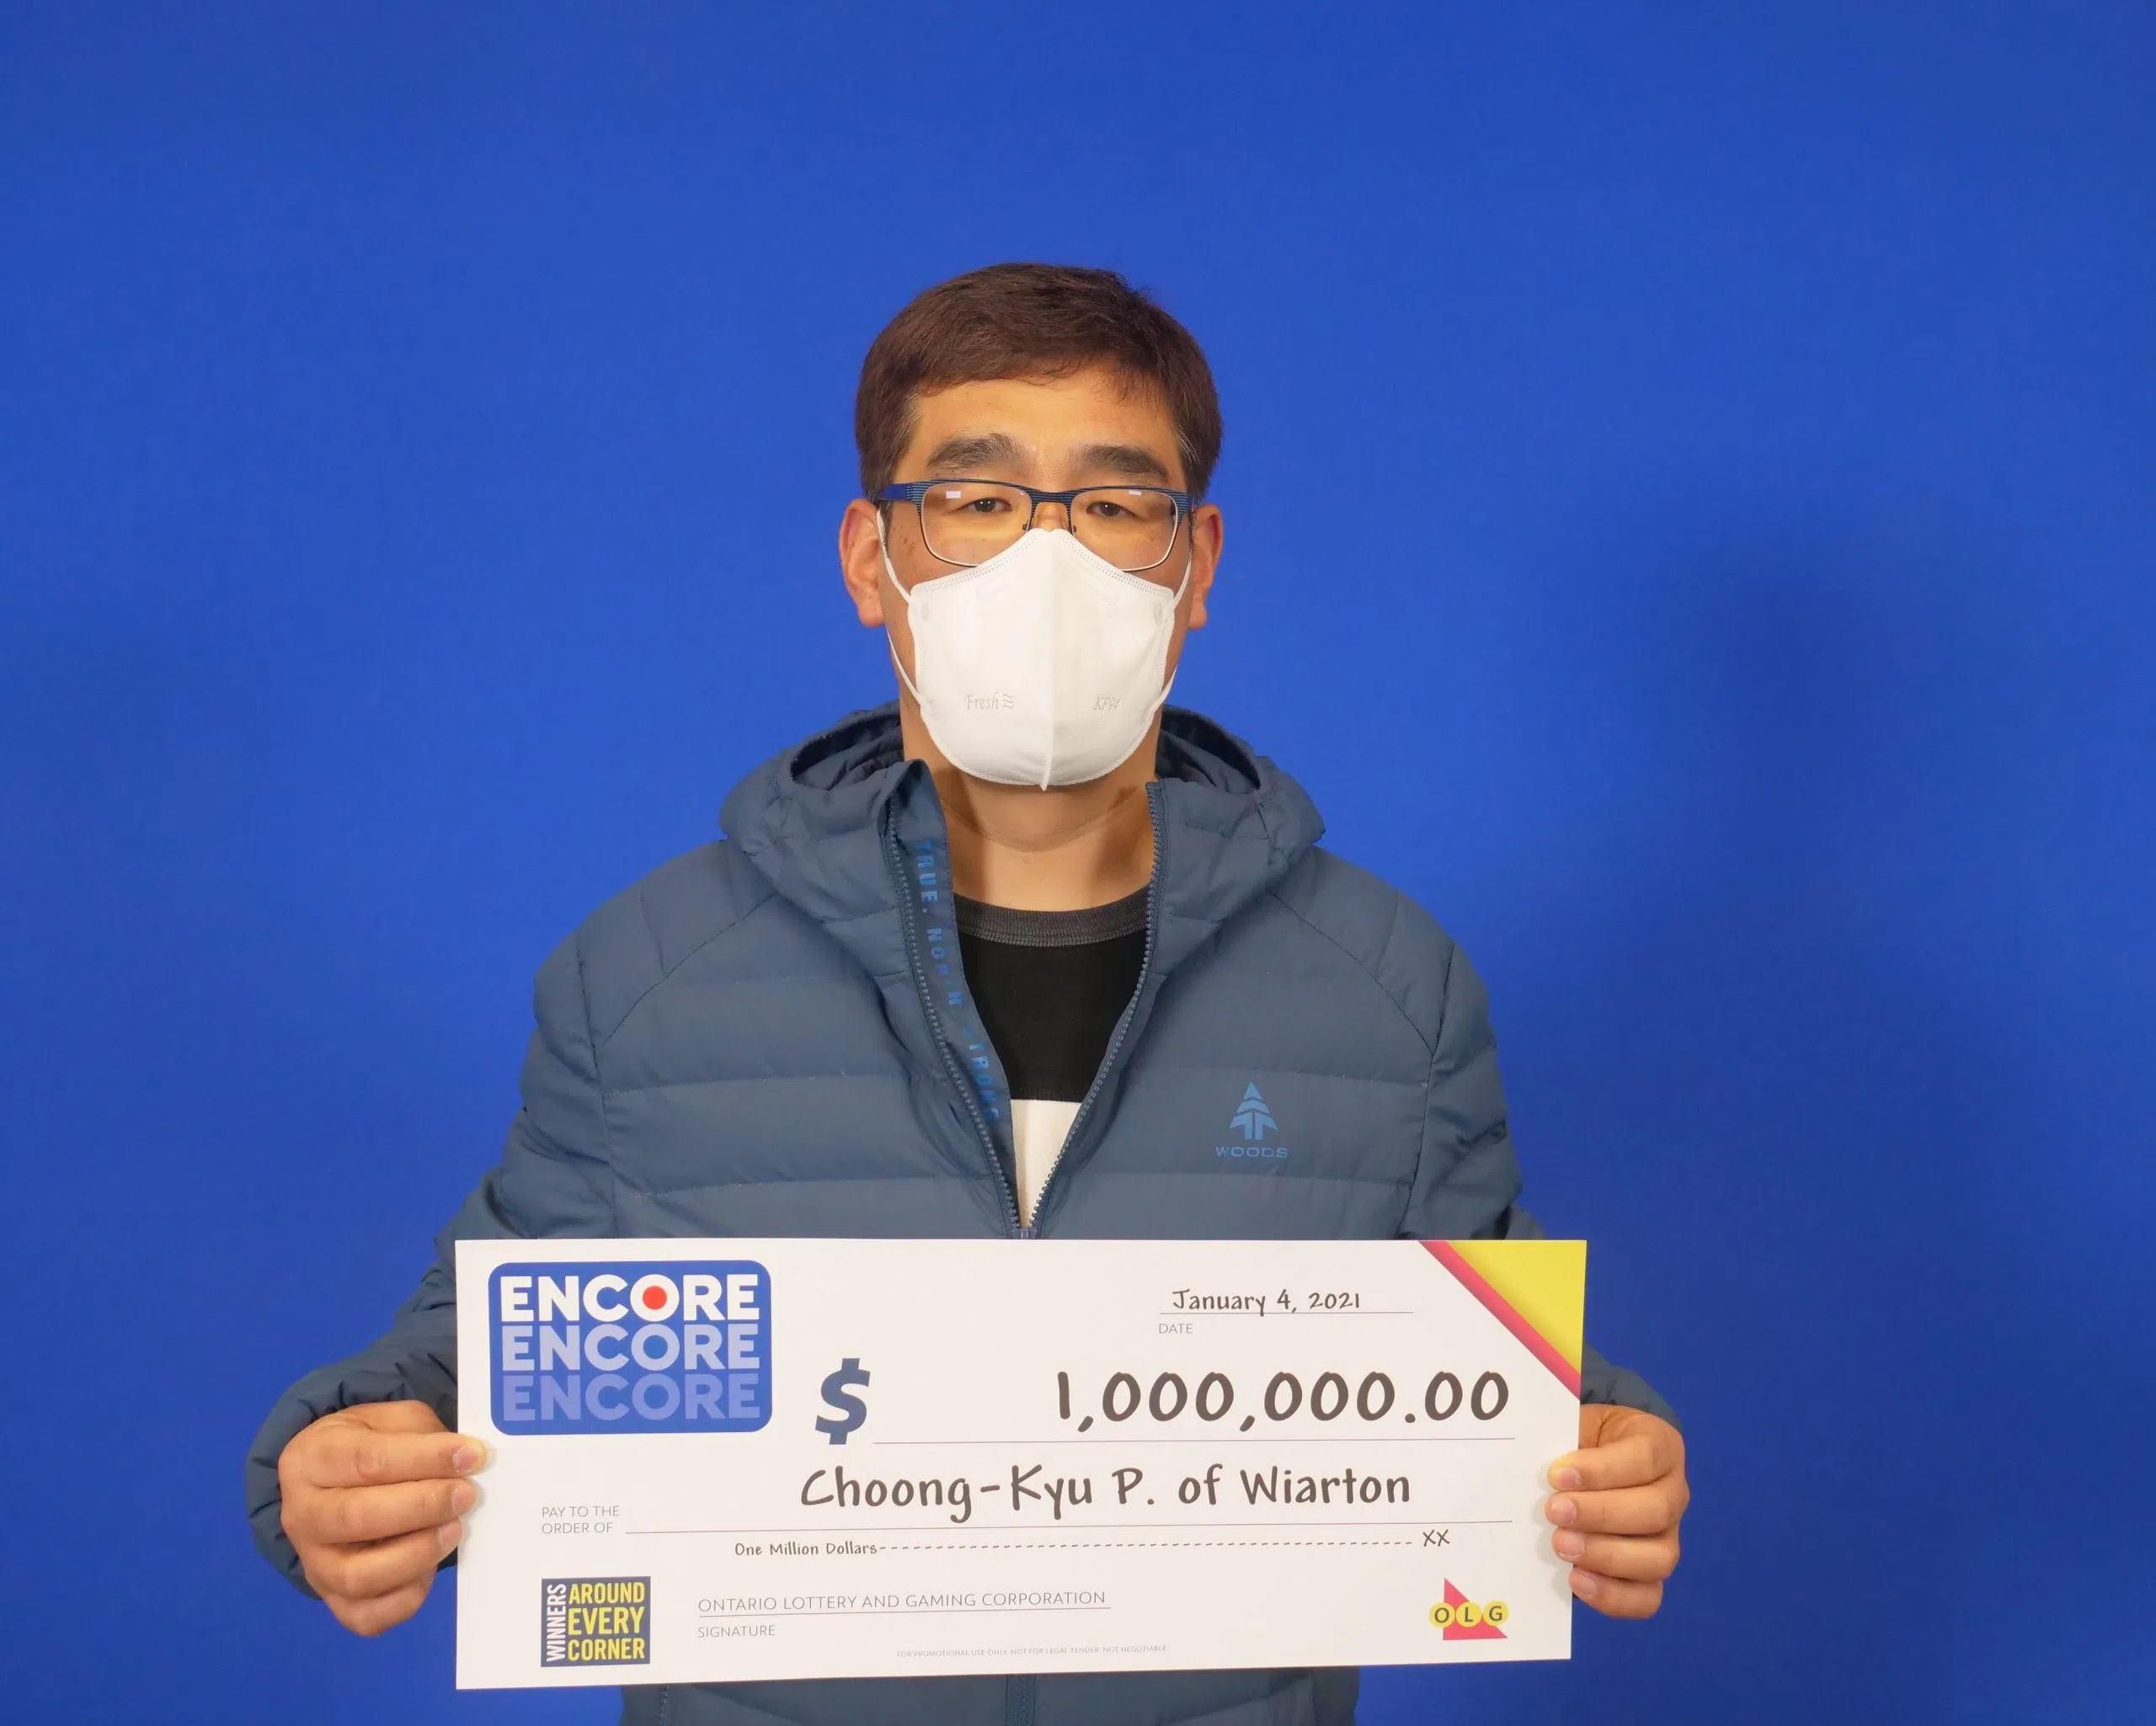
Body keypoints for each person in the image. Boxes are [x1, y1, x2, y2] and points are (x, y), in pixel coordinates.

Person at [246, 262, 1688, 1726]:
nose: (1046, 561)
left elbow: (1495, 1374)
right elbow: (476, 1349)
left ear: (1196, 564)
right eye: (978, 499)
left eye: (1115, 504)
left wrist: (1609, 1457)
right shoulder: (646, 980)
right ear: (871, 557)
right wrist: (350, 1458)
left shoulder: (1386, 990)